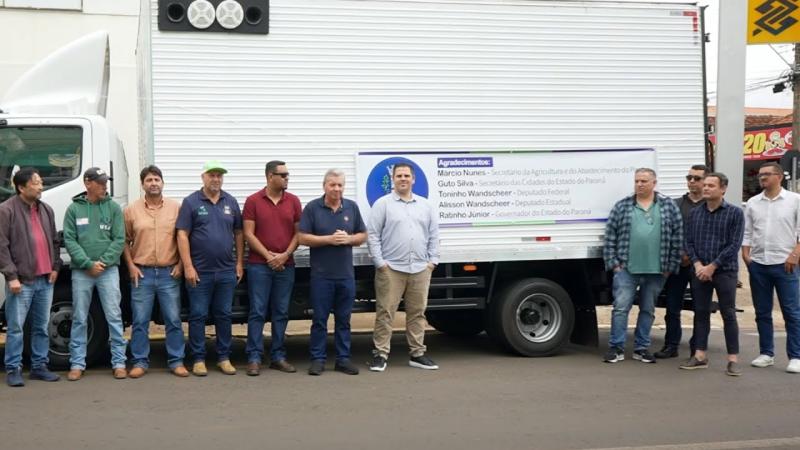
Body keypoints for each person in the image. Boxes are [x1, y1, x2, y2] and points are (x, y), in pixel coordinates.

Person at [602, 168, 682, 364]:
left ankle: (641, 348)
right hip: (627, 269)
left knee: (648, 310)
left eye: (644, 181)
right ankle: (616, 347)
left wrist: (670, 267)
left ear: (654, 183)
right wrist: (614, 264)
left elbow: (677, 237)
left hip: (657, 269)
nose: (639, 184)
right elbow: (610, 235)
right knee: (621, 308)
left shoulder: (668, 206)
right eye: (637, 181)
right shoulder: (622, 206)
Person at [367, 162, 440, 372]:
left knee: (417, 313)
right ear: (393, 179)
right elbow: (373, 235)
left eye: (406, 176)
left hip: (420, 268)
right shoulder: (383, 204)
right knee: (385, 313)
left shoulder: (425, 205)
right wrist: (380, 263)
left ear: (413, 179)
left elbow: (434, 235)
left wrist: (432, 262)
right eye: (399, 175)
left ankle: (417, 353)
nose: (403, 179)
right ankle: (380, 354)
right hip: (391, 269)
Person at [177, 161, 244, 376]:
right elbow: (182, 234)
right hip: (200, 272)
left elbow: (239, 233)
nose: (216, 179)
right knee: (198, 315)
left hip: (226, 271)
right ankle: (198, 359)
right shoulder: (191, 202)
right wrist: (188, 266)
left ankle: (224, 358)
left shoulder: (230, 201)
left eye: (219, 176)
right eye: (212, 175)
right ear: (203, 177)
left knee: (224, 314)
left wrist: (239, 263)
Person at [298, 169, 367, 376]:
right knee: (319, 320)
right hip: (322, 276)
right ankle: (318, 360)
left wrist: (349, 239)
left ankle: (343, 359)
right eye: (332, 185)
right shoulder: (312, 208)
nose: (337, 189)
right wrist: (328, 239)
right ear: (324, 186)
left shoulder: (351, 207)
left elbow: (363, 235)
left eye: (340, 185)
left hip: (345, 276)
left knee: (344, 320)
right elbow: (302, 237)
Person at [123, 165, 188, 378]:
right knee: (140, 321)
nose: (153, 183)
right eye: (149, 180)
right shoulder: (131, 210)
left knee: (173, 320)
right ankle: (140, 362)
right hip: (142, 274)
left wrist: (181, 265)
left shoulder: (176, 208)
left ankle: (176, 361)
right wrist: (131, 266)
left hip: (170, 273)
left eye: (156, 179)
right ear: (142, 185)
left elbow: (183, 238)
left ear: (163, 183)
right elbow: (124, 240)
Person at [63, 167, 127, 381]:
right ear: (87, 183)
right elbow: (70, 240)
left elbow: (119, 239)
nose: (104, 186)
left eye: (105, 182)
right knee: (80, 317)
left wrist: (103, 262)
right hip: (82, 271)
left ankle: (119, 362)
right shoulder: (74, 209)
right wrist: (87, 263)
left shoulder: (113, 208)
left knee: (114, 316)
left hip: (108, 271)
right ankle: (77, 363)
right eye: (100, 182)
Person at [0, 168, 61, 386]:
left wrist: (55, 267)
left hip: (46, 279)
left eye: (41, 182)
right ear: (21, 187)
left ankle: (39, 366)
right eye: (36, 183)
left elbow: (54, 240)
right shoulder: (6, 210)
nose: (41, 186)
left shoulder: (46, 209)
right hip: (22, 281)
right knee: (16, 328)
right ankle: (13, 369)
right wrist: (11, 276)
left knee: (41, 327)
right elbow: (2, 246)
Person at [680, 172, 744, 376]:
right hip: (699, 271)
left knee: (728, 314)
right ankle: (700, 356)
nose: (706, 188)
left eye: (711, 185)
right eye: (705, 185)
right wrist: (698, 264)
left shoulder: (735, 213)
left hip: (725, 271)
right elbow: (688, 241)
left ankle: (733, 360)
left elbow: (734, 244)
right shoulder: (695, 213)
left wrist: (712, 266)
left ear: (723, 189)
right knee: (701, 313)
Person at [243, 160, 302, 376]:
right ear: (270, 176)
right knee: (257, 311)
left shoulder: (293, 201)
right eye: (283, 175)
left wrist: (285, 255)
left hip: (286, 266)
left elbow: (299, 233)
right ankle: (254, 357)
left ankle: (278, 356)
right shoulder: (253, 201)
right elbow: (248, 234)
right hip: (259, 266)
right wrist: (269, 257)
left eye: (287, 175)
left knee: (281, 312)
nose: (287, 178)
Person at [743, 161, 800, 373]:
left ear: (779, 177)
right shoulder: (753, 202)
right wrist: (746, 253)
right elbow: (748, 231)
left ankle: (796, 356)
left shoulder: (794, 200)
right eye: (760, 175)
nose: (762, 178)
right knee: (762, 312)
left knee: (791, 312)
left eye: (767, 174)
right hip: (759, 263)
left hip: (786, 264)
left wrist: (795, 255)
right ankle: (766, 353)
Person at [655, 164, 708, 359]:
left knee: (700, 309)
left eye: (697, 178)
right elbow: (665, 232)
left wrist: (694, 257)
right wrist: (680, 254)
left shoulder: (711, 206)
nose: (692, 181)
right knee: (672, 307)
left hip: (701, 265)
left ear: (706, 181)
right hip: (677, 264)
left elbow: (712, 236)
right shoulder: (674, 205)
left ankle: (697, 348)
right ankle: (671, 346)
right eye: (689, 178)